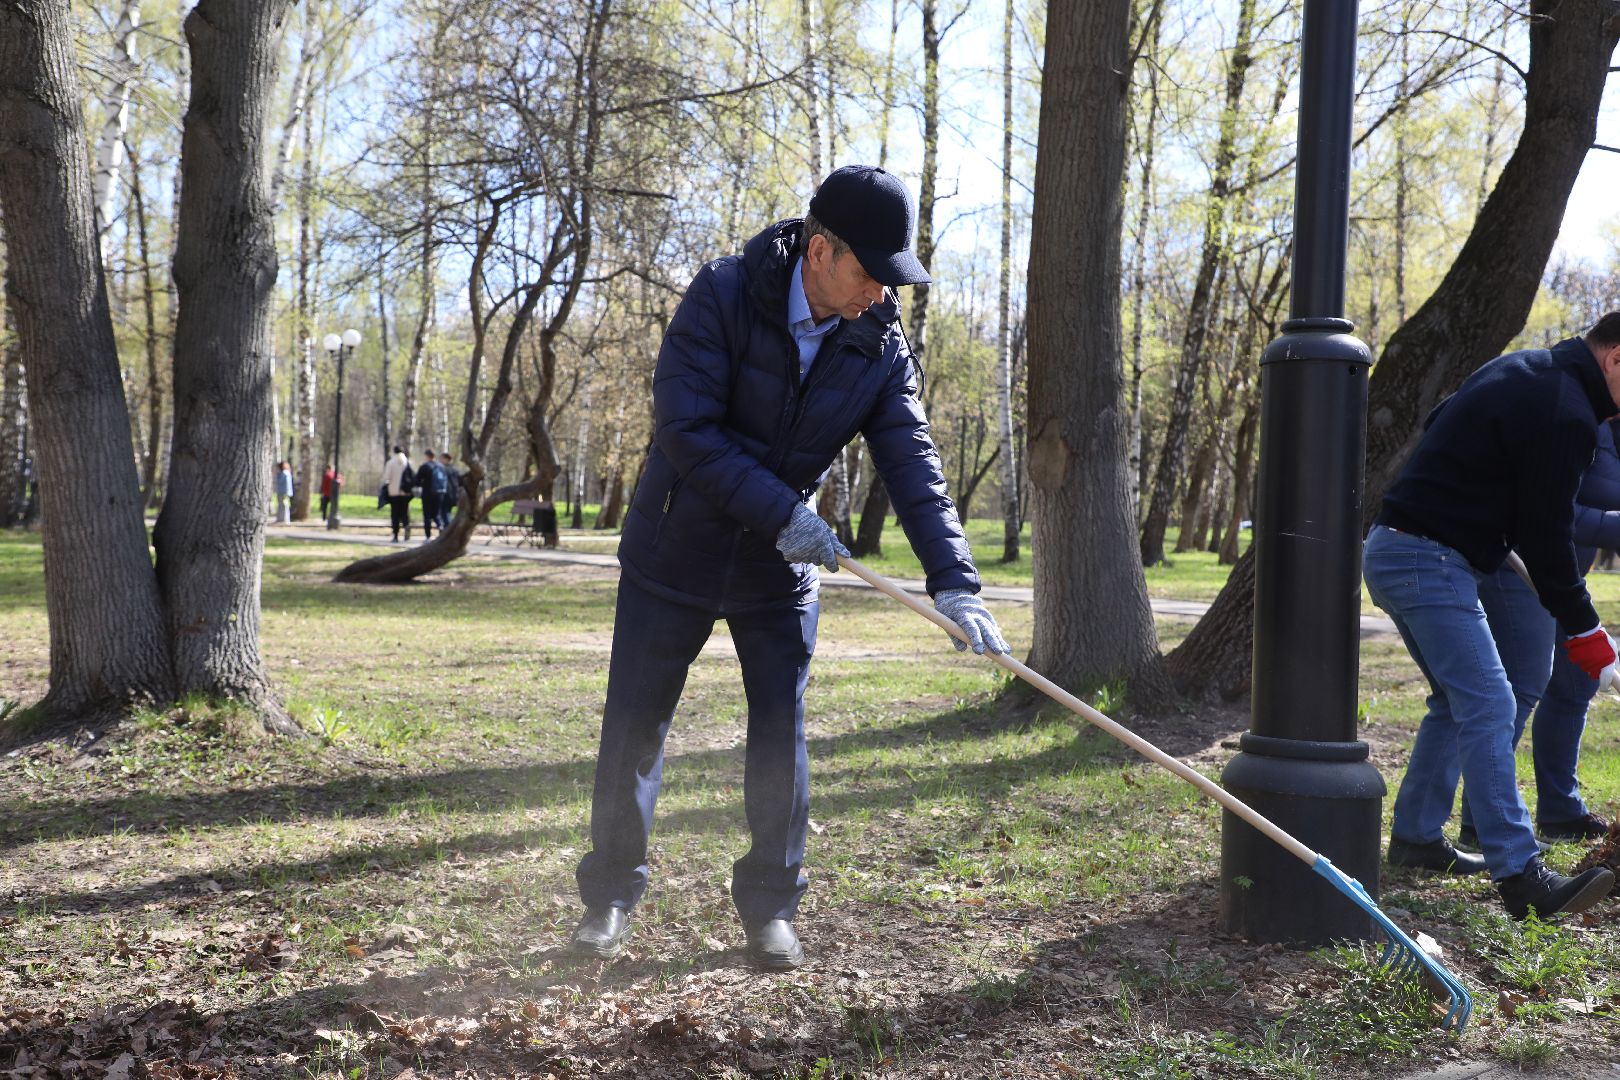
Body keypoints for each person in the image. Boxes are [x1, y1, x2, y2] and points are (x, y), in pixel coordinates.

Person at [569, 165, 1008, 970]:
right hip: (679, 551)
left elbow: (911, 457)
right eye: (871, 272)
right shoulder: (725, 293)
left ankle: (770, 904)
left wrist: (956, 581)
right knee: (634, 728)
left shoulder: (879, 338)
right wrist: (786, 514)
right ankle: (608, 898)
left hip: (780, 571)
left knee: (780, 732)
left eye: (892, 276)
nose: (883, 292)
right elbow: (687, 430)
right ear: (819, 251)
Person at [1363, 315, 1620, 920]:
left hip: (1402, 548)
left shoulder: (1523, 367)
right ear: (1615, 358)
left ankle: (1418, 838)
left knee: (1457, 701)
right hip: (1427, 559)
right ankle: (1521, 875)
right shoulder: (1568, 412)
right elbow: (1549, 535)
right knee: (1490, 702)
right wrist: (1585, 630)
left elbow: (1440, 422)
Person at [1459, 418, 1620, 848]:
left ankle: (1562, 812)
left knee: (1575, 680)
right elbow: (1552, 507)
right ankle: (1482, 823)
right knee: (1521, 684)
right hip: (1517, 564)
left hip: (1562, 572)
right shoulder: (1581, 420)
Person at [382, 446, 416, 542]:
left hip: (394, 492)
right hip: (405, 492)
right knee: (404, 512)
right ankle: (406, 526)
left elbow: (387, 477)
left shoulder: (391, 463)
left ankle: (396, 535)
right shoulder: (408, 462)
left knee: (395, 514)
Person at [417, 449, 446, 541]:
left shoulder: (425, 466)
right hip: (440, 493)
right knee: (437, 514)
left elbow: (417, 480)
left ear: (427, 456)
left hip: (427, 493)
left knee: (427, 515)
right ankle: (441, 527)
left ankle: (428, 536)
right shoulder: (441, 467)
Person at [437, 452, 462, 531]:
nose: (440, 460)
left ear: (446, 459)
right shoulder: (455, 470)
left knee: (445, 513)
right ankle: (448, 530)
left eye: (441, 458)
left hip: (445, 494)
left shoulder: (442, 469)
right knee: (447, 512)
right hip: (453, 495)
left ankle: (448, 530)